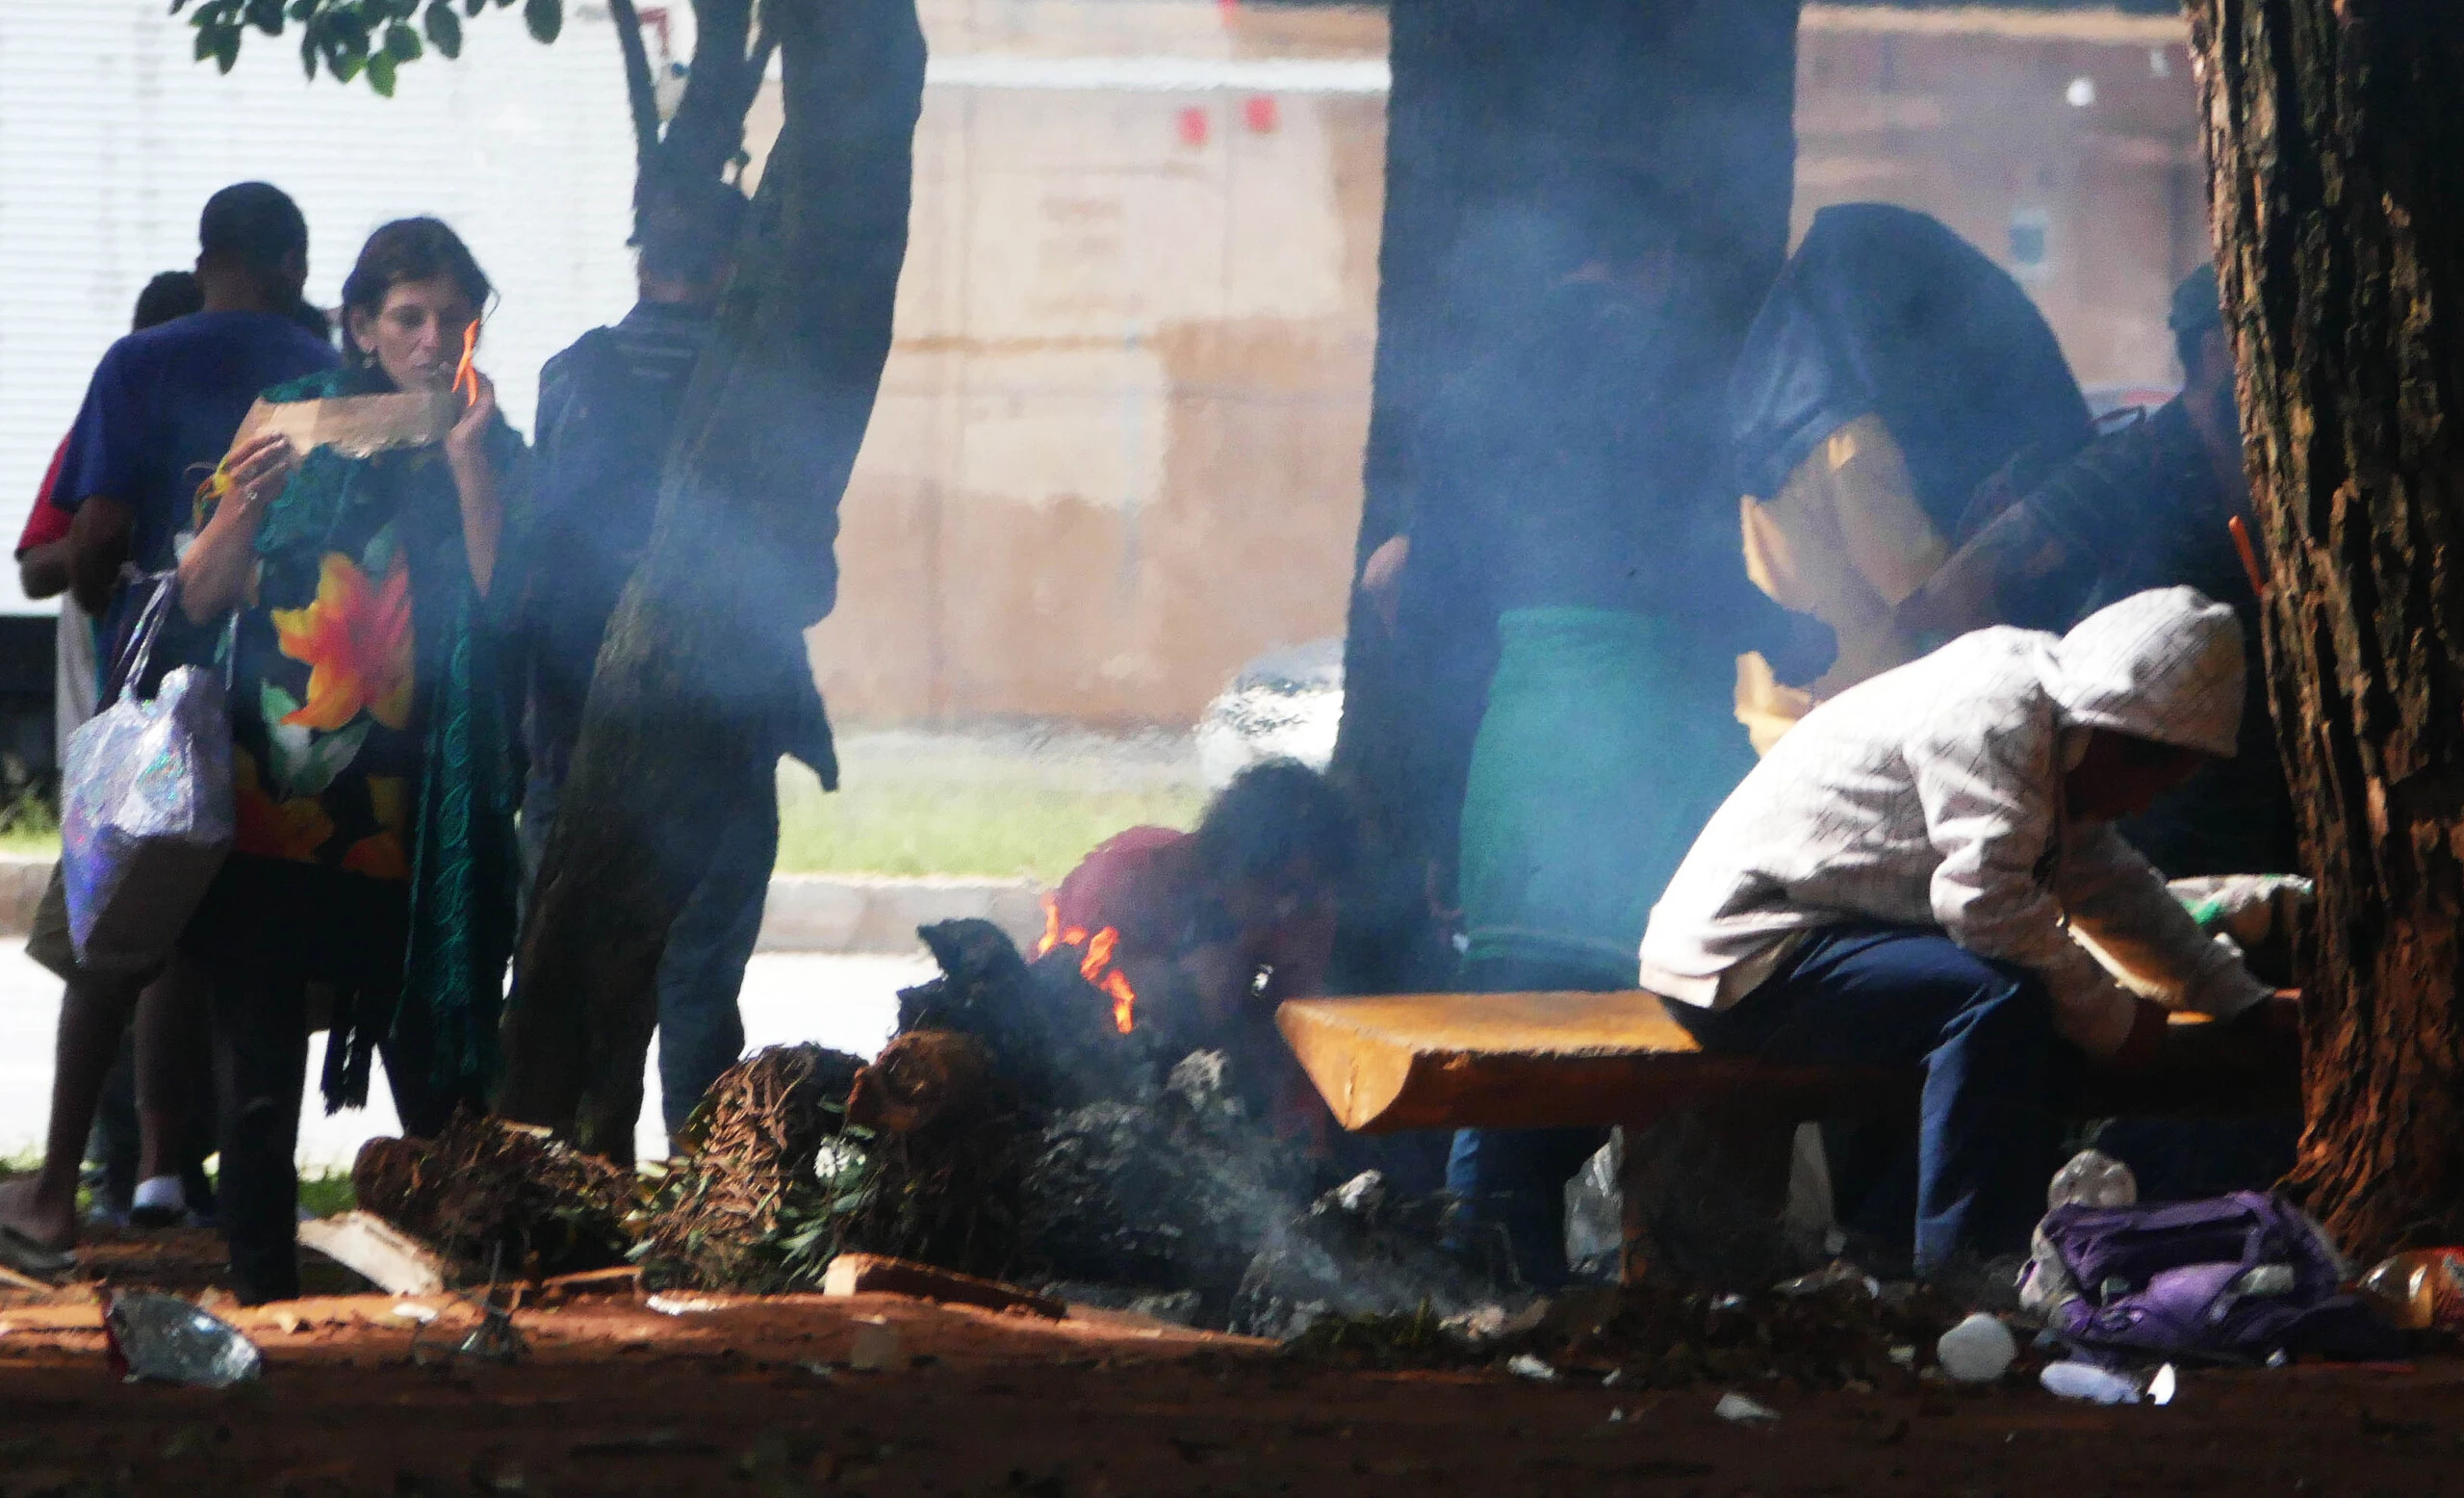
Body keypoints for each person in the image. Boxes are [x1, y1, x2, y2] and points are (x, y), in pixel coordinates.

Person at [1638, 587, 2289, 1281]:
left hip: (1828, 948)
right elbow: (1985, 904)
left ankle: (1882, 1259)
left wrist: (2239, 999)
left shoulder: (2062, 740)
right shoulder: (1995, 715)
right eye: (2151, 785)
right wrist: (2116, 1020)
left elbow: (2115, 892)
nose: (2141, 806)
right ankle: (1966, 1279)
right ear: (2121, 739)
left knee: (2017, 1011)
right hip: (1751, 958)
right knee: (1997, 1002)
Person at [1395, 229, 1814, 1286]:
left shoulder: (1469, 394)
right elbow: (1685, 570)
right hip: (1654, 748)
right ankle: (1678, 1288)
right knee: (1680, 1036)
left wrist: (1441, 809)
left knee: (1510, 1047)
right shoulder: (1671, 377)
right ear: (1655, 262)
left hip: (1524, 744)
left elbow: (1434, 617)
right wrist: (1791, 631)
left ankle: (1483, 1295)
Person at [172, 217, 527, 1304]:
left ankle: (471, 1289)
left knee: (440, 1076)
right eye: (407, 317)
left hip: (425, 816)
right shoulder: (291, 426)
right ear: (363, 323)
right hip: (276, 800)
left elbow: (504, 608)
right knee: (260, 1084)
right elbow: (198, 597)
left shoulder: (487, 440)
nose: (430, 338)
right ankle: (264, 1293)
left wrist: (470, 470)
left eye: (450, 317)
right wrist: (248, 500)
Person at [0, 187, 337, 1278]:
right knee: (238, 954)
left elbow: (88, 536)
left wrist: (114, 592)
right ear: (291, 261)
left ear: (207, 261)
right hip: (301, 704)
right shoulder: (332, 378)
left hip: (157, 693)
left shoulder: (139, 363)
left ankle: (56, 1197)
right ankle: (221, 1197)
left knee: (112, 944)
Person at [518, 169, 830, 1151]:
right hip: (722, 743)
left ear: (643, 260)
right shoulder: (766, 400)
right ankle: (706, 1200)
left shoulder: (569, 380)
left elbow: (538, 562)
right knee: (697, 987)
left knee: (584, 976)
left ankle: (582, 1188)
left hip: (581, 737)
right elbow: (809, 586)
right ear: (736, 267)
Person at [1892, 266, 2296, 877]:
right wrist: (2039, 752)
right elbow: (1953, 595)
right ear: (2219, 349)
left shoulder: (2291, 463)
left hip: (2281, 803)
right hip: (2163, 821)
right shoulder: (2135, 467)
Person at [1724, 203, 2092, 747]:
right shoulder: (1850, 441)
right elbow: (1936, 599)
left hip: (1784, 730)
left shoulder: (1769, 416)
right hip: (1862, 740)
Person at [16, 269, 208, 1228]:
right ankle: (102, 1167)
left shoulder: (233, 445)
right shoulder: (104, 437)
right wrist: (106, 545)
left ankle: (163, 1172)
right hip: (113, 742)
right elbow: (45, 559)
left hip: (189, 741)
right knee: (108, 953)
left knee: (167, 957)